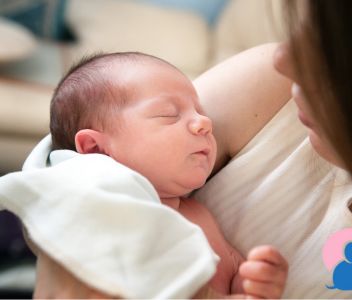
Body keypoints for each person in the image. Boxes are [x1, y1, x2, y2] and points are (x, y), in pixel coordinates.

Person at [29, 0, 352, 298]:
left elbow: (231, 275)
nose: (283, 58)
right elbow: (59, 170)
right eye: (170, 113)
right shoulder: (271, 87)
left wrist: (252, 283)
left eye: (329, 43)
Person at [42, 51, 288, 299]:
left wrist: (252, 281)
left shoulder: (199, 215)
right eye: (170, 114)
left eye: (200, 111)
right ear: (97, 149)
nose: (204, 123)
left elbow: (232, 270)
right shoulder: (108, 219)